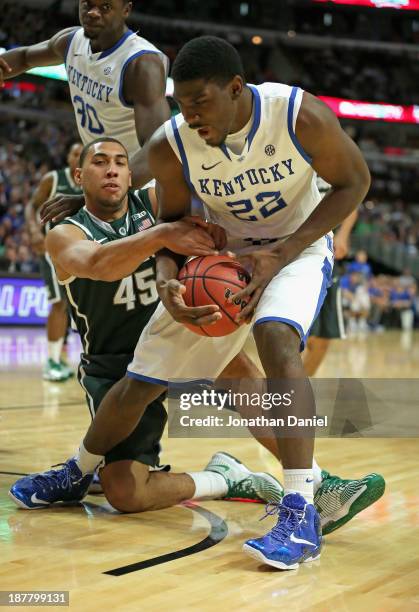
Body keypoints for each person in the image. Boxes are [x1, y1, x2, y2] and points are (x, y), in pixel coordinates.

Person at [10, 39, 385, 567]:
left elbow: (355, 181)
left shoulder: (297, 115)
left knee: (274, 338)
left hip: (295, 249)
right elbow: (173, 228)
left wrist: (282, 253)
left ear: (236, 89)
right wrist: (169, 283)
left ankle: (300, 506)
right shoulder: (176, 142)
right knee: (141, 380)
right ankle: (76, 471)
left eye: (200, 103)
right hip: (221, 259)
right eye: (181, 104)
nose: (190, 115)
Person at [9, 137, 284, 512]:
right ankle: (225, 478)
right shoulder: (65, 234)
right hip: (114, 363)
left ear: (131, 174)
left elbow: (204, 198)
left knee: (249, 383)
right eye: (100, 163)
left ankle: (311, 479)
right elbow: (99, 265)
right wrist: (162, 234)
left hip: (176, 337)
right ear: (78, 176)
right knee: (124, 493)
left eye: (121, 163)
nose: (112, 170)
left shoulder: (154, 202)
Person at [0, 0, 171, 188]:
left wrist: (102, 195)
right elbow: (25, 57)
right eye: (87, 4)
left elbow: (157, 148)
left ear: (126, 10)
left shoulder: (141, 64)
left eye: (105, 7)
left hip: (139, 183)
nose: (93, 13)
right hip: (102, 177)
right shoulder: (71, 41)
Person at [25, 142, 83, 382]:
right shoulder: (54, 179)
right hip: (53, 249)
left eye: (82, 154)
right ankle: (50, 361)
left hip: (80, 253)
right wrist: (33, 231)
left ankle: (61, 358)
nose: (78, 157)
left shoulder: (90, 181)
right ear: (68, 157)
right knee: (59, 304)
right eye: (75, 153)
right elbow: (32, 206)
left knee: (72, 307)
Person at [302, 176, 358, 376]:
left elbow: (352, 202)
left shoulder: (337, 160)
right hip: (297, 250)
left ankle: (297, 392)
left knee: (322, 339)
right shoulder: (293, 156)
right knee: (297, 335)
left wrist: (343, 235)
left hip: (328, 254)